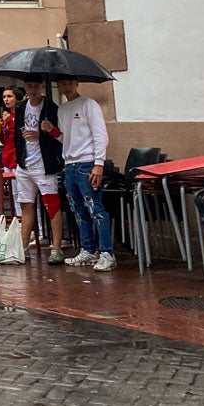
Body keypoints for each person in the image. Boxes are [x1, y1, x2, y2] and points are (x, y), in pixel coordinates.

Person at [54, 80, 114, 271]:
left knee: (95, 208)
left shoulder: (89, 105)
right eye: (64, 84)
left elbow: (99, 134)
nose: (68, 87)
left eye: (71, 83)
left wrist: (99, 163)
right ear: (59, 86)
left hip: (87, 163)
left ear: (76, 84)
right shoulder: (62, 109)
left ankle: (107, 252)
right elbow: (66, 137)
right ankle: (88, 249)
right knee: (78, 210)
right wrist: (52, 132)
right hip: (70, 164)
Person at [13, 80, 65, 264]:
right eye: (29, 86)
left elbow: (59, 135)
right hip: (25, 163)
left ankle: (56, 248)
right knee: (26, 205)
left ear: (41, 86)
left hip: (44, 164)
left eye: (36, 86)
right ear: (25, 88)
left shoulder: (51, 107)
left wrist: (42, 133)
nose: (33, 89)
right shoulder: (20, 107)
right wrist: (19, 158)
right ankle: (23, 246)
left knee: (52, 205)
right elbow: (17, 134)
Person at [0, 87, 21, 170]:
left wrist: (9, 123)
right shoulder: (6, 117)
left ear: (17, 98)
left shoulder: (21, 116)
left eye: (9, 96)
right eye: (4, 97)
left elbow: (18, 137)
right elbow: (5, 141)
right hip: (7, 158)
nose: (6, 99)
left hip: (18, 158)